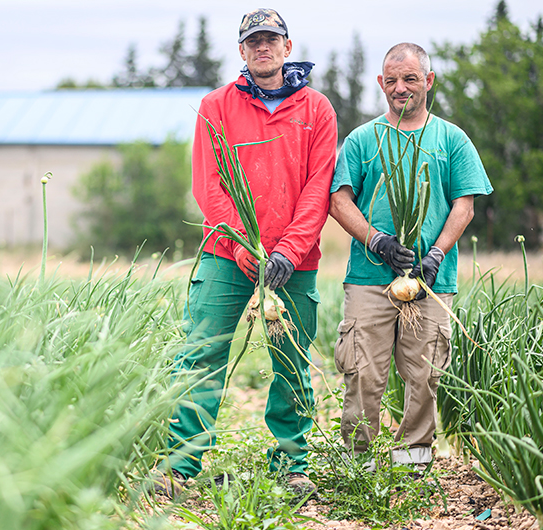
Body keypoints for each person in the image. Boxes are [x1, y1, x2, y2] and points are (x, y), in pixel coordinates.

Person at [148, 8, 337, 498]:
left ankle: (292, 465)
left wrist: (288, 252)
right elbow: (208, 186)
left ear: (287, 47)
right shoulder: (215, 106)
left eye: (271, 39)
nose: (263, 48)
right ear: (242, 51)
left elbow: (319, 189)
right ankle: (179, 466)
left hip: (296, 263)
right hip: (225, 256)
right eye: (253, 41)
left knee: (291, 362)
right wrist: (241, 245)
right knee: (201, 354)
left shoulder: (317, 110)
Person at [329, 43, 493, 472]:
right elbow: (340, 201)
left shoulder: (451, 138)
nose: (400, 88)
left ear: (429, 81)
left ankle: (412, 460)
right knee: (363, 369)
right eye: (392, 80)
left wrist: (437, 253)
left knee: (424, 374)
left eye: (410, 79)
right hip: (370, 276)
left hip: (431, 279)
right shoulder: (363, 138)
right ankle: (357, 460)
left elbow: (465, 205)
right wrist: (377, 241)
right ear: (381, 83)